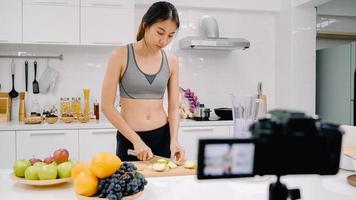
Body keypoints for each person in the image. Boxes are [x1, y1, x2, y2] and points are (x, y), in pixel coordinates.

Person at [101, 1, 185, 162]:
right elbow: (107, 106)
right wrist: (136, 140)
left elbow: (174, 108)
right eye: (160, 32)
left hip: (162, 138)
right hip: (130, 139)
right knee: (130, 186)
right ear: (146, 25)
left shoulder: (172, 61)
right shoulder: (120, 55)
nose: (164, 41)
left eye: (170, 35)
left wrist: (174, 140)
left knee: (164, 185)